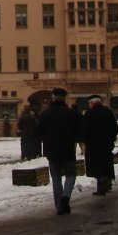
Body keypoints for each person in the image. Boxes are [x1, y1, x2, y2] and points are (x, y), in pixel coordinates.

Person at [37, 87, 82, 215]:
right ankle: (66, 196)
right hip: (68, 149)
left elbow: (40, 131)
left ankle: (59, 205)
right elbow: (79, 130)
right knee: (71, 174)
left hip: (52, 151)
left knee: (56, 178)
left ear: (53, 97)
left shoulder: (46, 114)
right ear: (65, 98)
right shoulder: (72, 113)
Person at [81, 95, 118, 196]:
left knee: (96, 165)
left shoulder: (89, 113)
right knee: (106, 163)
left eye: (89, 103)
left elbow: (85, 129)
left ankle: (103, 181)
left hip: (94, 145)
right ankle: (105, 184)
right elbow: (115, 128)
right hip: (107, 143)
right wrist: (111, 139)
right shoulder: (108, 112)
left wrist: (85, 140)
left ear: (92, 103)